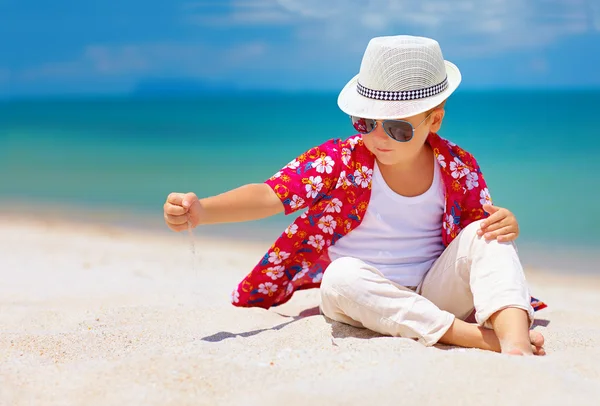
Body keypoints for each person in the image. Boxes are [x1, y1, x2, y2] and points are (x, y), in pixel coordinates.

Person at [163, 35, 547, 355]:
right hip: (360, 296)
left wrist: (505, 222)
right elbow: (270, 194)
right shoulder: (338, 161)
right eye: (366, 123)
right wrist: (202, 211)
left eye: (397, 128)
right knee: (340, 275)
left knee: (488, 236)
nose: (377, 138)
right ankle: (483, 340)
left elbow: (475, 241)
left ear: (434, 120)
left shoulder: (458, 165)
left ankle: (515, 344)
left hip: (434, 292)